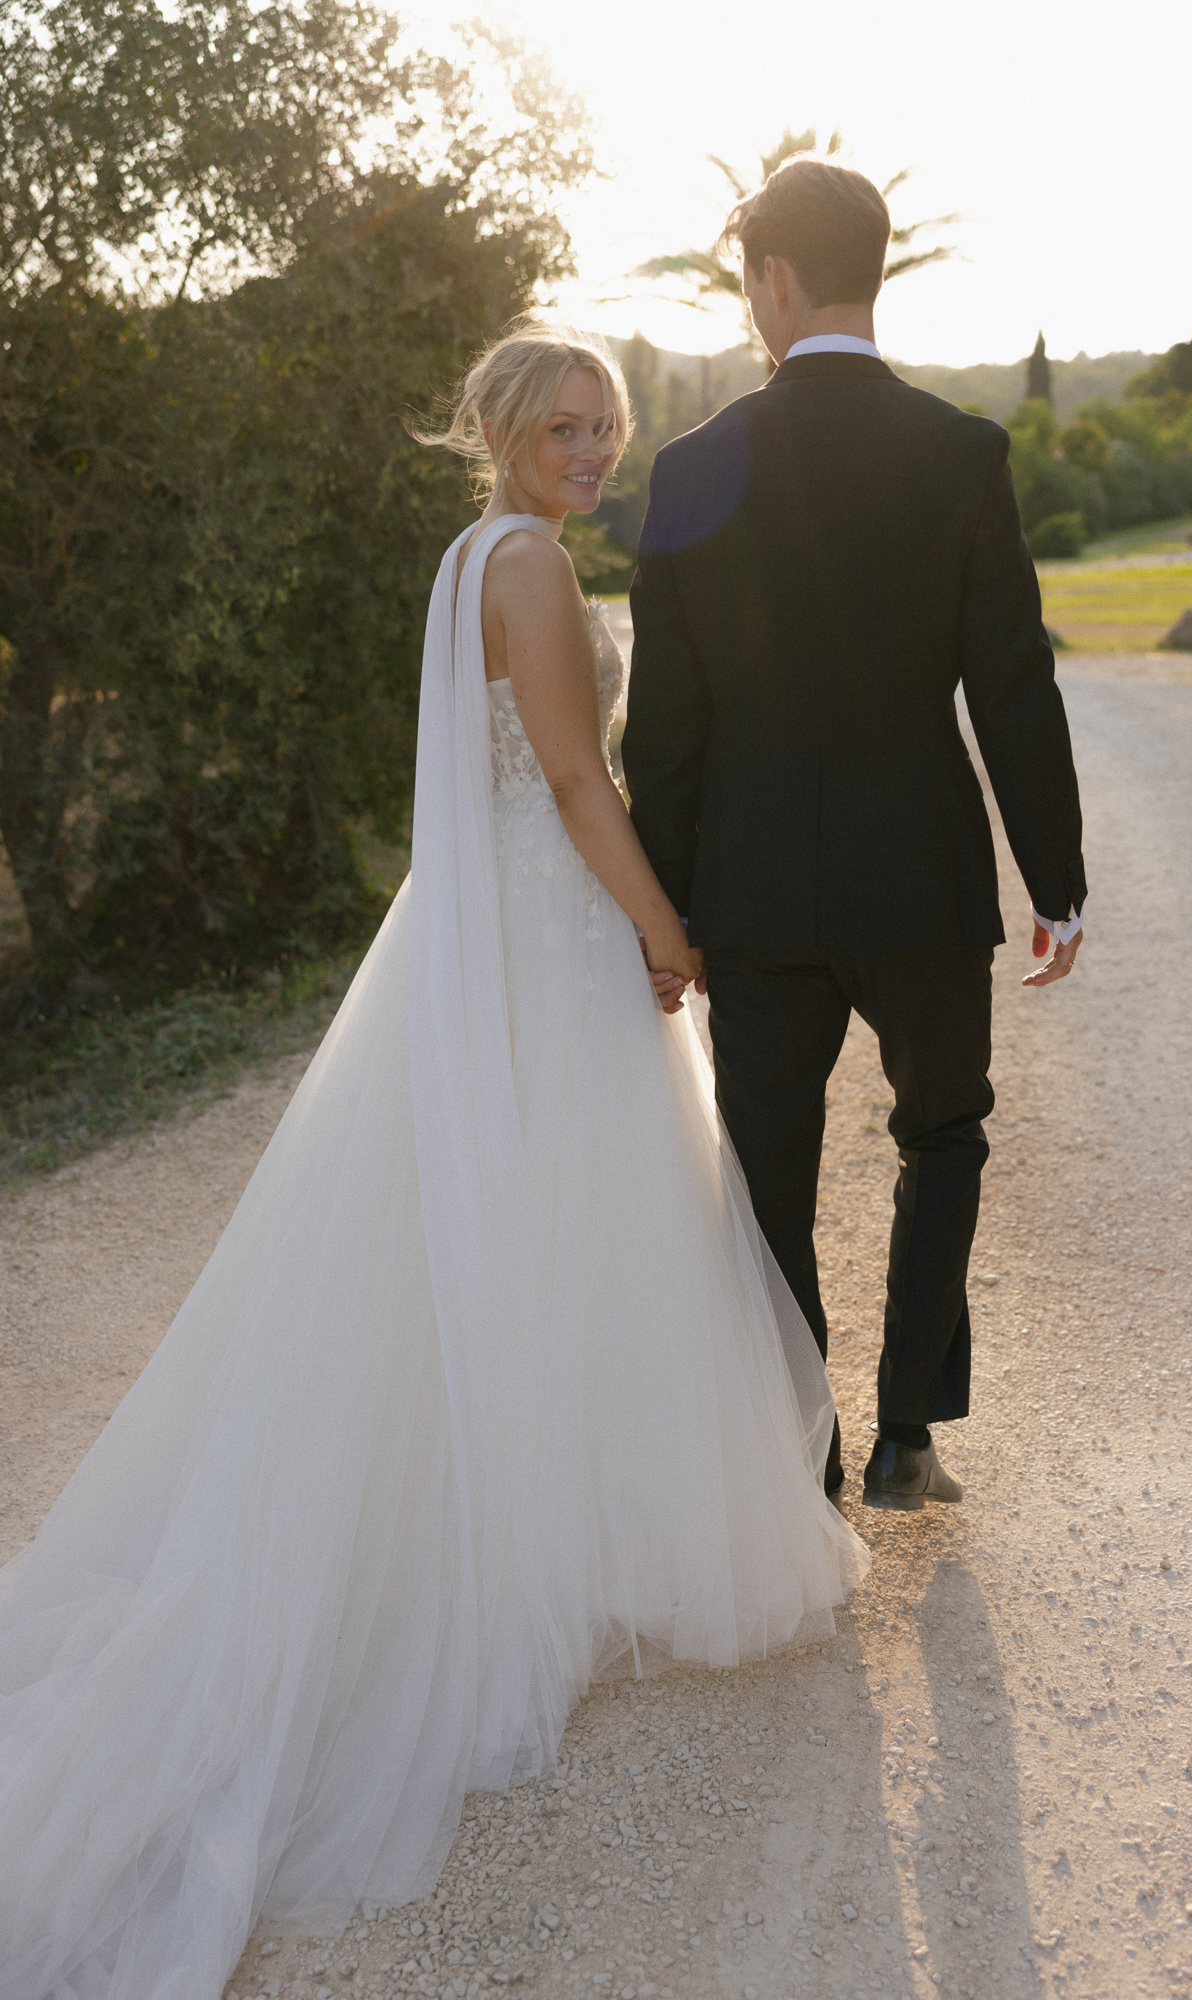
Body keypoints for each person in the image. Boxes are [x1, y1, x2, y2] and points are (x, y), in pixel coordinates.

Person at [0, 323, 866, 2000]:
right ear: (497, 431)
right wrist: (664, 925)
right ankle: (521, 1576)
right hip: (549, 936)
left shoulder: (473, 551)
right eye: (563, 424)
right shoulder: (526, 565)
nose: (592, 447)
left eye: (606, 424)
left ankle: (550, 1534)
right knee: (580, 1231)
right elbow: (562, 771)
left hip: (493, 932)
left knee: (535, 1237)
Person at [623, 156, 1087, 1514]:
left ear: (772, 279)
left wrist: (672, 912)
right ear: (869, 269)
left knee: (768, 1155)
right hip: (922, 875)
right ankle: (903, 1438)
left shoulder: (694, 465)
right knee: (942, 1135)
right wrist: (1052, 880)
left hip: (751, 891)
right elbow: (1011, 679)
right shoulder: (960, 453)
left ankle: (798, 1451)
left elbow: (666, 727)